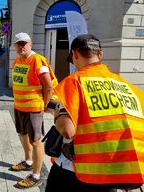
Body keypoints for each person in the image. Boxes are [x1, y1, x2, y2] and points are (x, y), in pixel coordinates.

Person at [45, 34, 144, 192]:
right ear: (100, 54)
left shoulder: (75, 81)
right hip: (117, 172)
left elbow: (67, 130)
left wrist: (58, 113)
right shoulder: (126, 86)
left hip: (78, 171)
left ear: (75, 54)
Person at [10, 32, 58, 189]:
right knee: (23, 135)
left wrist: (44, 105)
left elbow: (49, 86)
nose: (22, 46)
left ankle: (36, 175)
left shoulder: (38, 60)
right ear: (15, 46)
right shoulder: (17, 60)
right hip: (19, 107)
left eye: (25, 43)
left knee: (35, 140)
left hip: (33, 108)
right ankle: (28, 161)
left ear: (30, 44)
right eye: (19, 44)